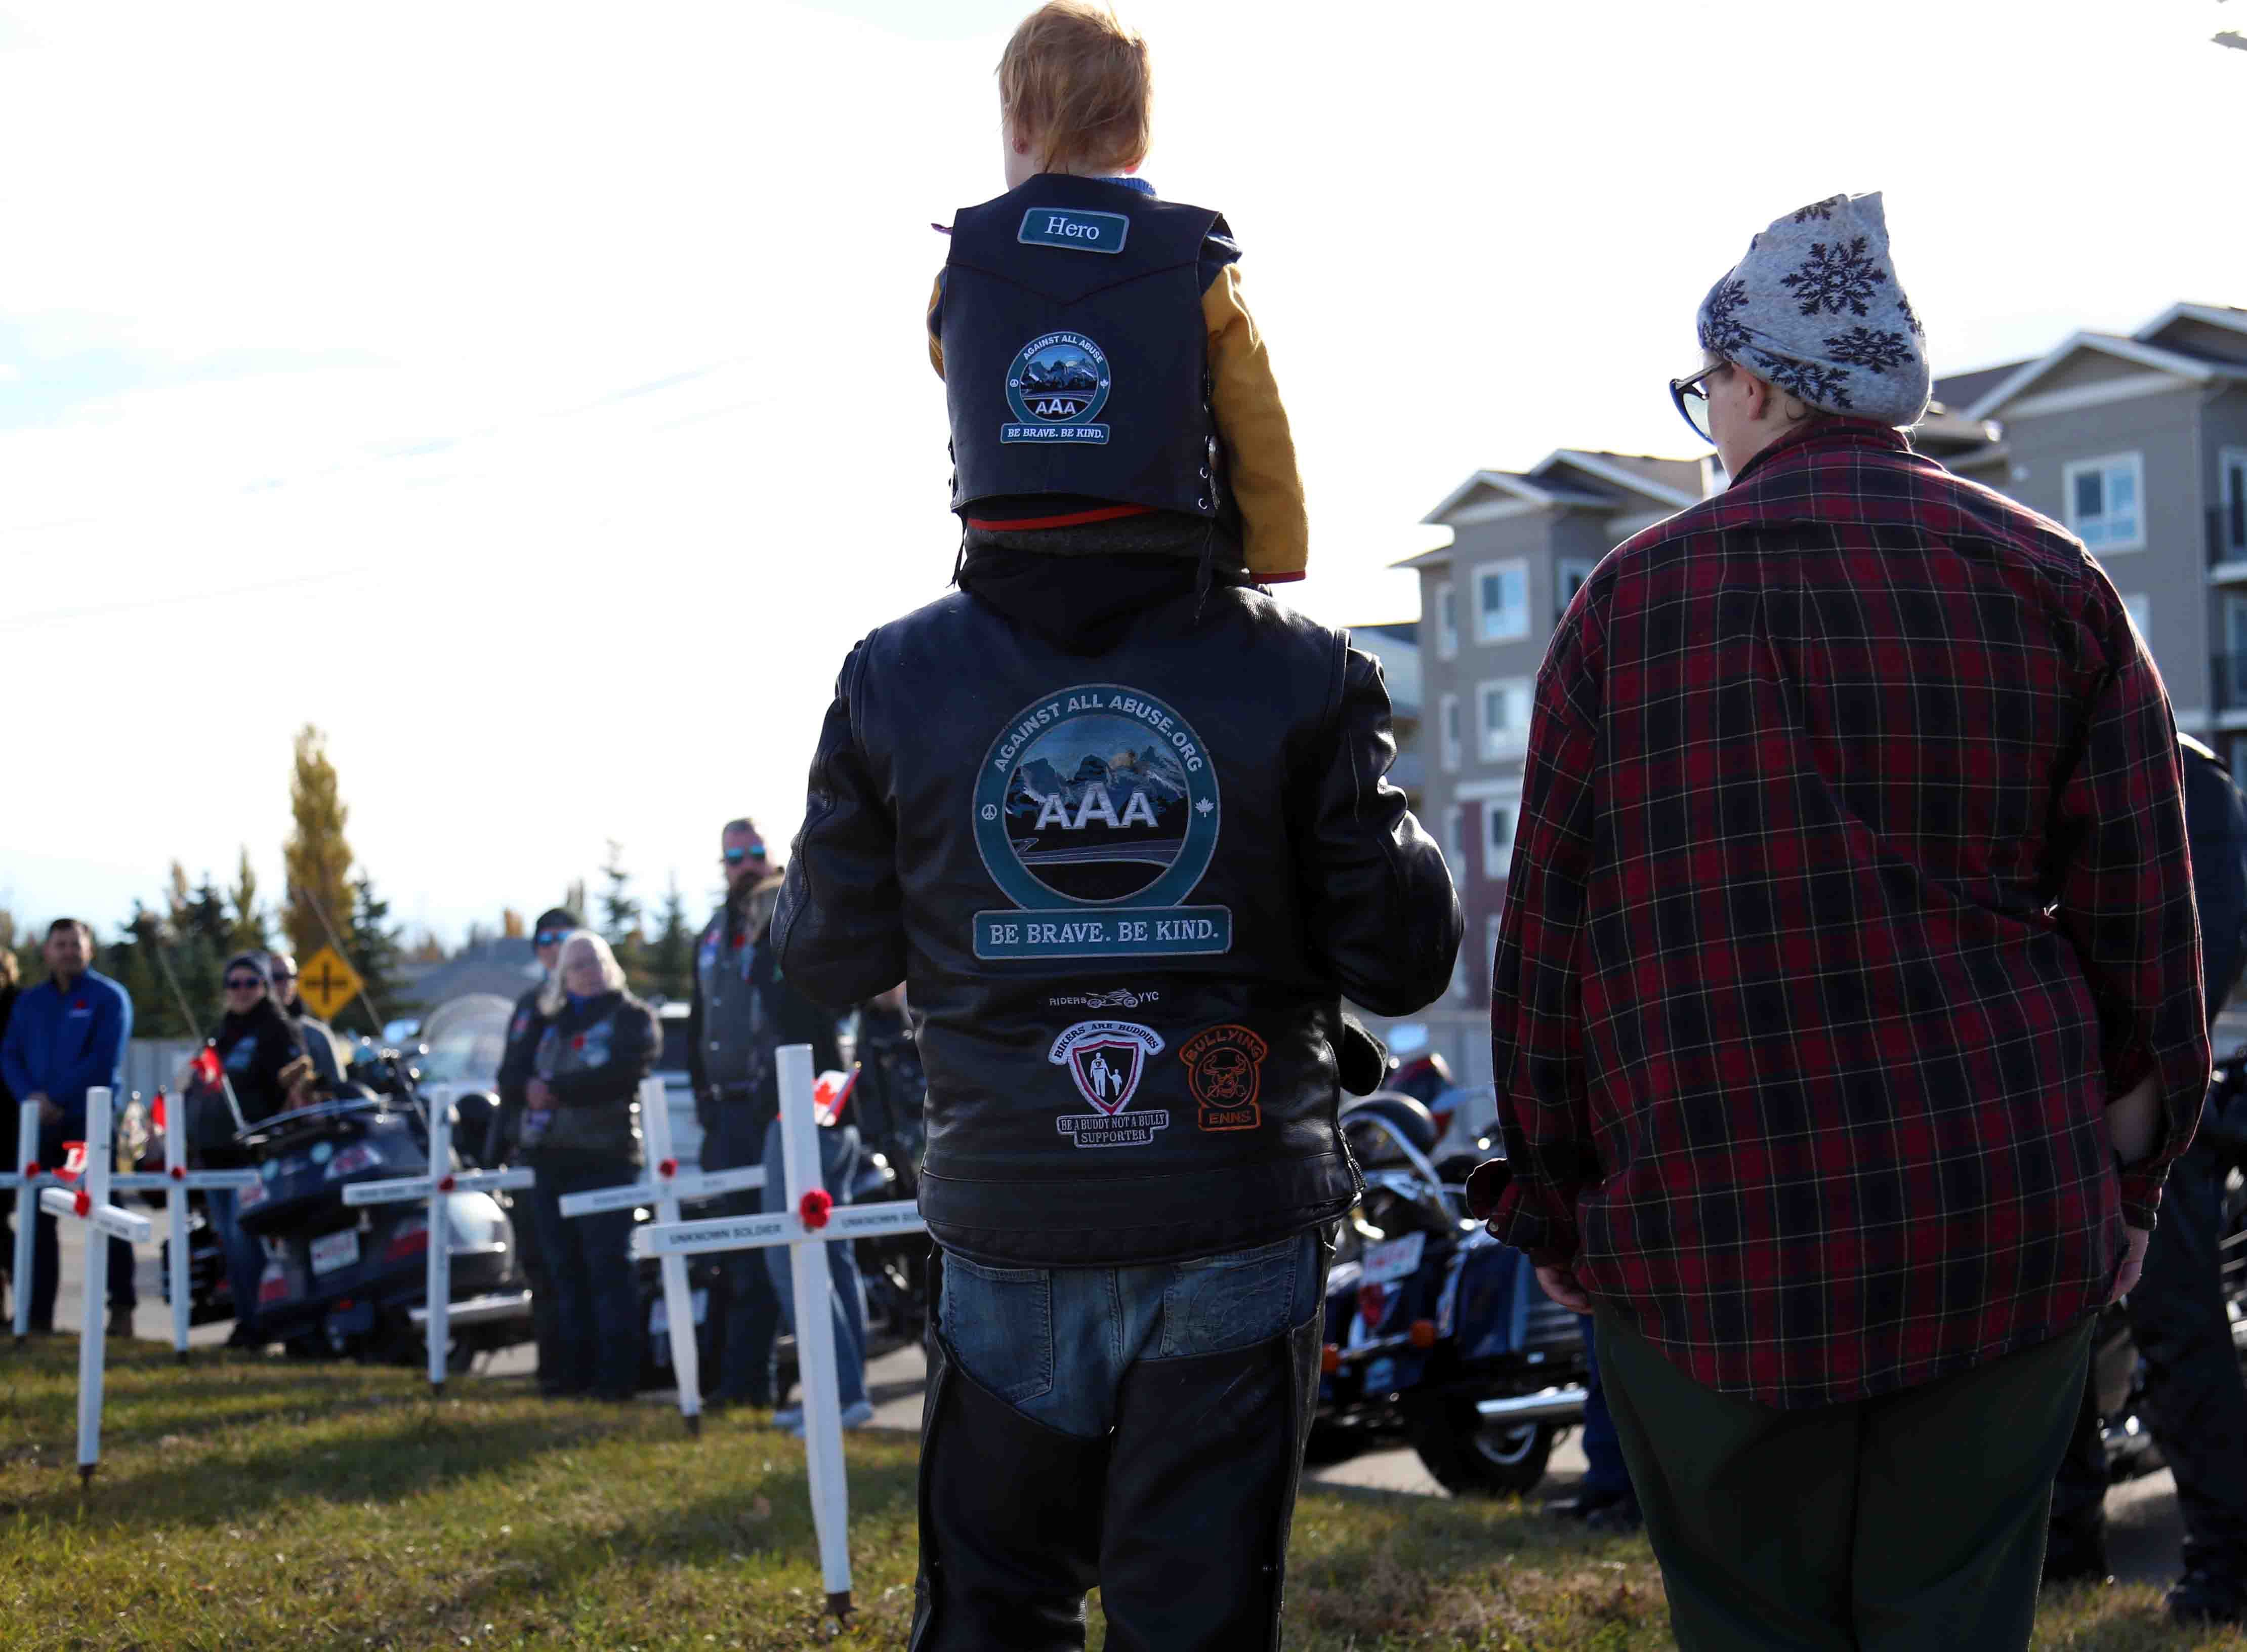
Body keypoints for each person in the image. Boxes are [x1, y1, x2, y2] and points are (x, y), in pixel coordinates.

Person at [775, 10, 1460, 1643]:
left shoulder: (892, 684)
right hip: (1233, 1202)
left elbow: (820, 960)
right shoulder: (1303, 683)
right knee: (1196, 1622)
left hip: (1014, 1208)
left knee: (997, 1608)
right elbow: (1406, 951)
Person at [1472, 192, 2210, 1652]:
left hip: (1708, 1235)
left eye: (1707, 394)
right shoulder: (2054, 583)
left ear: (1753, 382)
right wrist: (2128, 1190)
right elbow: (2147, 933)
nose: (1708, 424)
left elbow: (1548, 947)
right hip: (1996, 1214)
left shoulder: (1627, 608)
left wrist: (1552, 1200)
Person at [924, 1, 1307, 589]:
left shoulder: (966, 262)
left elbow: (949, 358)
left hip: (1008, 548)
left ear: (1020, 132)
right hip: (1168, 550)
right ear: (1139, 145)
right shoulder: (1194, 259)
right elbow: (1255, 418)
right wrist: (1278, 557)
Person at [2046, 731, 2247, 1621]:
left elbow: (2198, 961)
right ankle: (2064, 1560)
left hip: (2162, 1115)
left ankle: (2228, 1566)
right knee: (2062, 1352)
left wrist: (2135, 1099)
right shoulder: (2064, 768)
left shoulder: (2182, 772)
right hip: (2080, 1112)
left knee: (2178, 1336)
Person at [687, 820, 814, 1411]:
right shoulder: (712, 934)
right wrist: (704, 1099)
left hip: (775, 1109)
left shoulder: (789, 921)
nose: (745, 864)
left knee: (768, 1253)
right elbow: (696, 1026)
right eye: (734, 855)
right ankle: (724, 1380)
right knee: (728, 1253)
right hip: (725, 1114)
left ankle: (753, 1388)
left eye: (755, 853)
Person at [521, 930, 655, 1401]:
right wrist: (530, 1092)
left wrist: (558, 1090)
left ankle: (615, 1381)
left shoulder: (633, 1018)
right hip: (551, 1161)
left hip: (607, 1161)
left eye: (597, 961)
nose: (591, 971)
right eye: (579, 964)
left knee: (609, 1270)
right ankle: (569, 1378)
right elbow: (520, 1073)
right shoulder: (548, 1023)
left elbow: (622, 1074)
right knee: (564, 1272)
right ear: (563, 976)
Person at [1, 921, 138, 1336]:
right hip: (39, 1126)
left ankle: (123, 1309)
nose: (68, 952)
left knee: (105, 1211)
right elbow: (9, 1054)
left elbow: (103, 1060)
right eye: (59, 945)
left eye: (75, 944)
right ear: (47, 952)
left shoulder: (109, 998)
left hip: (88, 1126)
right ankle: (39, 1316)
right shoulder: (30, 1003)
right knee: (39, 1219)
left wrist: (55, 1100)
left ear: (89, 949)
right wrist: (31, 1097)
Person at [197, 950, 307, 1349]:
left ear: (265, 988)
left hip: (256, 1156)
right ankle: (248, 1323)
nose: (242, 992)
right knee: (230, 1241)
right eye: (234, 984)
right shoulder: (221, 1034)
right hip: (216, 1154)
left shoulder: (278, 1030)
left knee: (250, 1242)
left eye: (251, 983)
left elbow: (295, 1088)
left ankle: (268, 1321)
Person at [490, 905, 579, 1394]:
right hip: (531, 1151)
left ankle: (584, 1372)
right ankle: (552, 1373)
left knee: (579, 1268)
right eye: (544, 939)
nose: (553, 946)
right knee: (542, 1267)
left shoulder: (593, 1000)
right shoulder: (529, 1005)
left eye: (563, 937)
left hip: (580, 1154)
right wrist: (525, 1091)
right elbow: (508, 1076)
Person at [265, 952, 348, 1086]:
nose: (287, 984)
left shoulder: (317, 1035)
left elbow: (337, 1088)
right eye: (278, 977)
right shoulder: (249, 1036)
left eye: (293, 977)